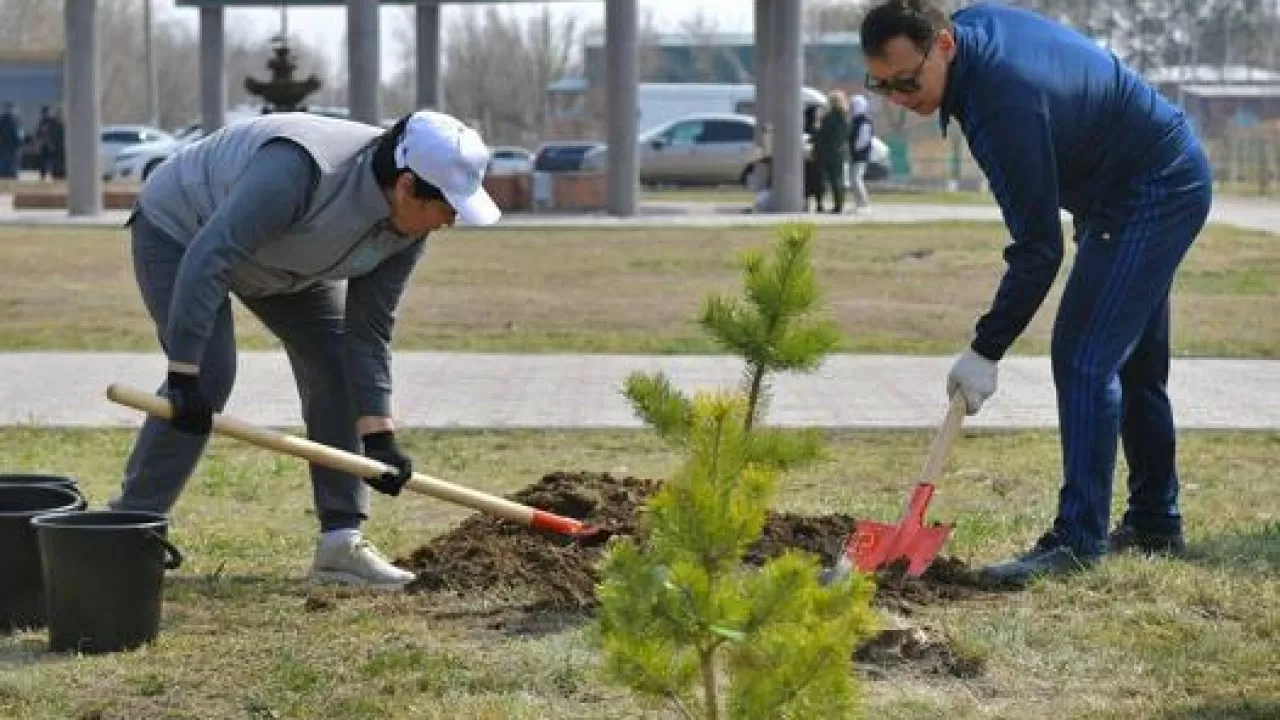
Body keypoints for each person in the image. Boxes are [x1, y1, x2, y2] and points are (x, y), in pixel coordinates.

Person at [860, 1, 1212, 586]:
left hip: (1153, 187)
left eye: (907, 81)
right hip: (1143, 176)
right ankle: (1154, 520)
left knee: (1083, 356)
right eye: (882, 85)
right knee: (1135, 362)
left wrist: (985, 349)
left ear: (943, 45)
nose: (899, 97)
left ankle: (1078, 540)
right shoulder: (970, 35)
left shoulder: (1001, 102)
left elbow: (1038, 248)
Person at [110, 109, 502, 590]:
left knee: (334, 361)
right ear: (406, 186)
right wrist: (185, 375)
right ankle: (127, 534)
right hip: (183, 233)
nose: (452, 221)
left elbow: (367, 332)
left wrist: (379, 438)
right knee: (209, 374)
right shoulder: (301, 168)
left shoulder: (408, 230)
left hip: (284, 263)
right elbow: (212, 255)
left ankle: (340, 544)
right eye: (449, 206)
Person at [812, 90, 852, 214]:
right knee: (838, 180)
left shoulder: (828, 118)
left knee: (822, 179)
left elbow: (821, 135)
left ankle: (820, 204)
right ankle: (839, 205)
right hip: (840, 152)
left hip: (826, 152)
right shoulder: (846, 118)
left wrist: (817, 125)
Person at [847, 94, 875, 213]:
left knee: (857, 179)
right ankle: (859, 204)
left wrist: (855, 149)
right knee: (854, 179)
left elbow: (863, 139)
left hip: (860, 155)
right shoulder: (856, 120)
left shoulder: (864, 121)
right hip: (856, 154)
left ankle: (864, 203)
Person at [802, 104, 826, 212]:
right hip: (812, 158)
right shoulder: (812, 128)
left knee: (812, 182)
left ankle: (814, 203)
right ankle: (817, 203)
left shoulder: (815, 127)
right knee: (814, 182)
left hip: (813, 159)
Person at [0, 101, 24, 180]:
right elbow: (20, 137)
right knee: (12, 172)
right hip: (12, 150)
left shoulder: (1, 120)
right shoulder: (17, 121)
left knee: (3, 173)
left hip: (4, 150)